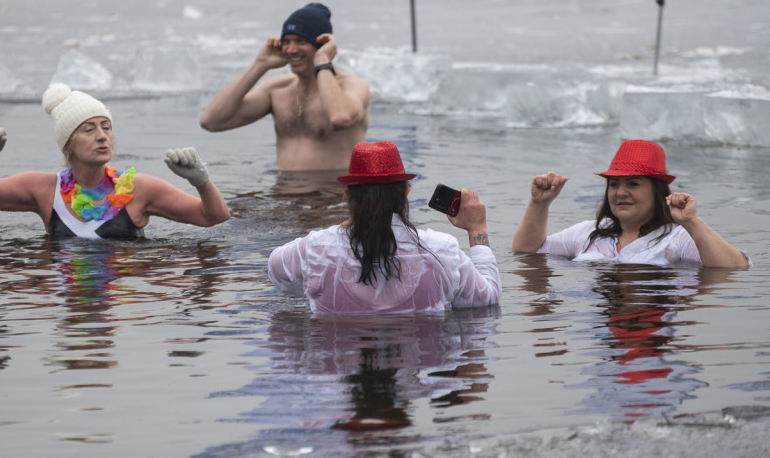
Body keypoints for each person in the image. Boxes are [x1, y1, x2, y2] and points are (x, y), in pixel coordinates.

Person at [0, 83, 230, 240]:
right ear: (68, 143)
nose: (102, 136)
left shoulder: (139, 189)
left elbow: (214, 217)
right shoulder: (44, 188)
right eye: (89, 129)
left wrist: (201, 180)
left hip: (119, 300)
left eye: (106, 127)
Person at [267, 141, 501, 314]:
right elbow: (488, 298)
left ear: (348, 197)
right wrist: (477, 229)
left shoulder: (316, 248)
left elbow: (276, 270)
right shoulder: (441, 251)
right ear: (406, 194)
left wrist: (347, 226)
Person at [511, 139, 750, 268]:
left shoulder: (676, 238)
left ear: (657, 192)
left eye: (633, 184)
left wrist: (692, 222)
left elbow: (734, 267)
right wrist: (539, 204)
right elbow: (527, 251)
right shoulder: (589, 232)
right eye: (614, 184)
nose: (620, 193)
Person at [199, 2, 370, 172]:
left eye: (300, 41)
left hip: (332, 194)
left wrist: (322, 60)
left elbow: (340, 117)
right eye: (286, 41)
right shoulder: (278, 89)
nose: (291, 50)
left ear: (320, 46)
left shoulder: (352, 85)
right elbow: (211, 122)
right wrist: (260, 65)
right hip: (282, 194)